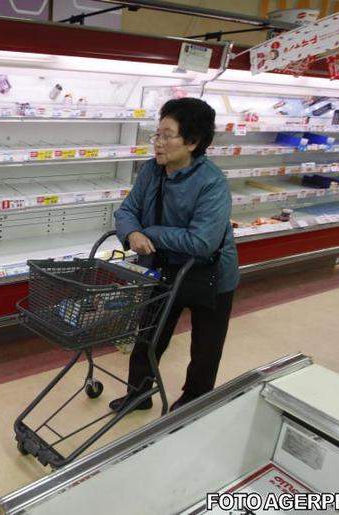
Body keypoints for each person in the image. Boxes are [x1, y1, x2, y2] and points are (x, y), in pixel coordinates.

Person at [111, 97, 239, 413]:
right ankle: (138, 394)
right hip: (164, 268)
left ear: (193, 142)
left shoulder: (212, 183)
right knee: (148, 337)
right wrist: (131, 233)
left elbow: (202, 242)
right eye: (157, 135)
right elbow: (127, 210)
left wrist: (149, 232)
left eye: (167, 136)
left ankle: (194, 401)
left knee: (205, 348)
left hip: (211, 275)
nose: (158, 143)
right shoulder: (150, 172)